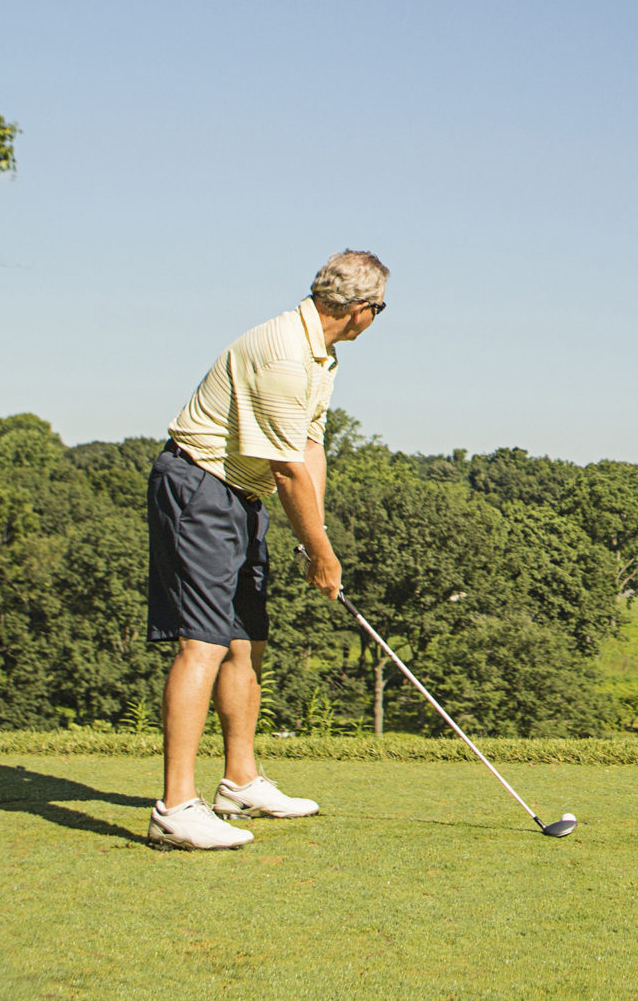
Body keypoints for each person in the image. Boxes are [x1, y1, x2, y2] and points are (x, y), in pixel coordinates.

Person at [143, 250, 387, 850]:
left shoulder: (320, 355)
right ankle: (175, 807)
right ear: (362, 310)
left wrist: (315, 539)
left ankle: (240, 782)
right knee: (202, 642)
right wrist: (322, 553)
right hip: (199, 486)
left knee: (243, 642)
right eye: (380, 310)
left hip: (241, 496)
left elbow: (308, 448)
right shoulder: (283, 355)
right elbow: (286, 470)